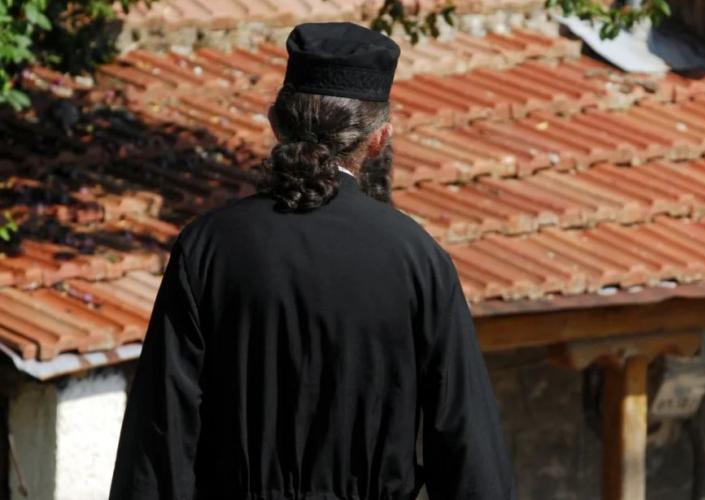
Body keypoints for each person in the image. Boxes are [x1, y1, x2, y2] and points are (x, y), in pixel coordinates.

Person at [109, 22, 516, 500]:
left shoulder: (208, 247)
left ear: (275, 123)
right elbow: (467, 444)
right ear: (379, 139)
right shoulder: (417, 258)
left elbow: (160, 435)